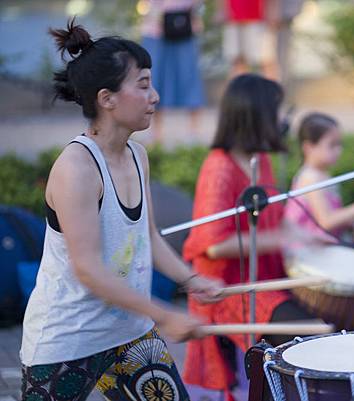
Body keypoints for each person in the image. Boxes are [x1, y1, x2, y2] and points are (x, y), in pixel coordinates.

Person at [20, 19, 222, 401]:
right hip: (68, 340)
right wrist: (165, 313)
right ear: (106, 98)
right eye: (143, 85)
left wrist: (191, 279)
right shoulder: (76, 168)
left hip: (130, 332)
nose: (156, 96)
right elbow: (89, 269)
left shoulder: (137, 155)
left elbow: (148, 237)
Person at [182, 74, 315, 401]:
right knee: (309, 336)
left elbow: (274, 223)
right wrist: (283, 238)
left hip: (266, 278)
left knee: (324, 325)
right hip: (227, 290)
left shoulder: (261, 160)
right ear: (256, 116)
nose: (284, 120)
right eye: (278, 111)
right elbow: (212, 245)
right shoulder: (220, 168)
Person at [284, 112, 354, 240]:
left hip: (323, 247)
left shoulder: (322, 173)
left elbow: (333, 216)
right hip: (306, 251)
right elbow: (326, 221)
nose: (338, 150)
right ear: (308, 147)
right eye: (332, 145)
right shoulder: (310, 177)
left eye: (339, 144)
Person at [140, 0, 207, 142]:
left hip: (184, 24)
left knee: (189, 76)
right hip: (155, 28)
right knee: (155, 78)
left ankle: (194, 131)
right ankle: (156, 132)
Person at [219, 0, 279, 80]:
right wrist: (221, 10)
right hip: (233, 17)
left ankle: (270, 90)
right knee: (237, 61)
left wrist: (273, 11)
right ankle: (240, 91)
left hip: (260, 18)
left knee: (266, 60)